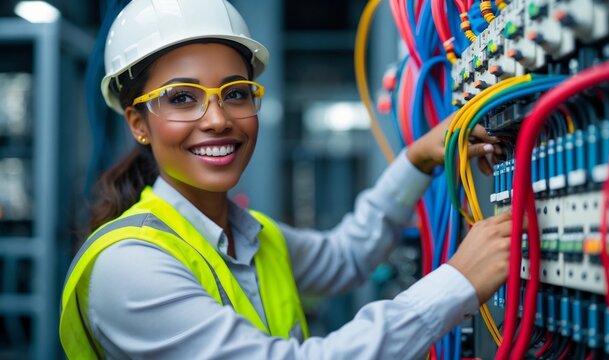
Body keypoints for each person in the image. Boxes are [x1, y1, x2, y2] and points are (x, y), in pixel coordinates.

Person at [59, 0, 511, 358]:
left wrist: (417, 160)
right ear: (138, 122)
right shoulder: (130, 266)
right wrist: (458, 281)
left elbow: (347, 255)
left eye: (235, 93)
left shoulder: (253, 235)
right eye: (182, 97)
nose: (217, 119)